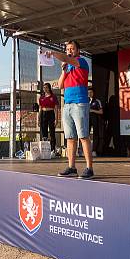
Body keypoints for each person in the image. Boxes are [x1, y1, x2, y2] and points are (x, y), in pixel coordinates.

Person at [45, 40, 94, 179]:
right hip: (67, 104)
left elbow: (67, 58)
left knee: (83, 136)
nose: (69, 51)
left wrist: (54, 53)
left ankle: (89, 168)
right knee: (70, 138)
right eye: (68, 49)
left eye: (72, 49)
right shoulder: (67, 67)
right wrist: (63, 70)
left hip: (80, 103)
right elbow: (60, 85)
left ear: (78, 51)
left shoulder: (81, 62)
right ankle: (72, 167)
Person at [39, 82, 59, 155]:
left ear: (49, 88)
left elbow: (56, 108)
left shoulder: (53, 96)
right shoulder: (41, 97)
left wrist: (56, 119)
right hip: (43, 114)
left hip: (51, 114)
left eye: (46, 87)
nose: (45, 89)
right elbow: (40, 108)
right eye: (44, 88)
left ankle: (53, 150)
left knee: (52, 132)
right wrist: (38, 119)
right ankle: (45, 150)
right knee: (44, 133)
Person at [88, 88, 104, 157]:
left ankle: (94, 150)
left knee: (95, 134)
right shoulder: (86, 101)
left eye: (91, 92)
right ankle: (87, 150)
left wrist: (92, 110)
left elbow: (101, 112)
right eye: (88, 92)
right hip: (87, 119)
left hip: (95, 119)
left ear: (93, 93)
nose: (89, 94)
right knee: (86, 135)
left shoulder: (97, 101)